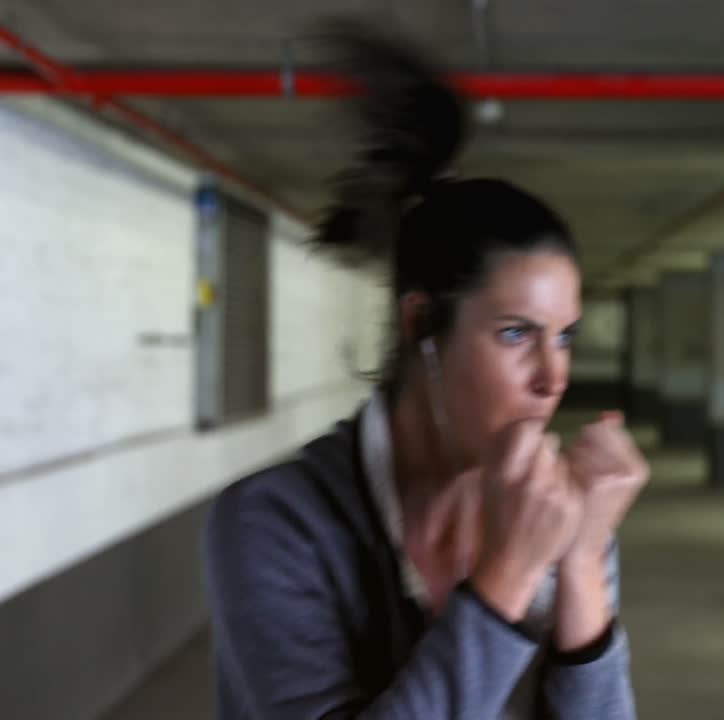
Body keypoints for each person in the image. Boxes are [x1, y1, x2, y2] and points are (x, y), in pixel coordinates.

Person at [202, 20, 647, 720]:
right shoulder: (278, 520)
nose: (551, 377)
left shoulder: (557, 511)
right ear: (421, 328)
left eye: (564, 338)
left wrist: (584, 561)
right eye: (514, 334)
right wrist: (506, 578)